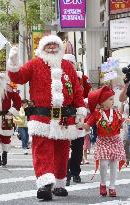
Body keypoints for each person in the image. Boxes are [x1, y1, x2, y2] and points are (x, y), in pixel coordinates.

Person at [7, 35, 86, 201]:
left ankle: (58, 183)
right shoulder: (35, 64)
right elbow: (18, 77)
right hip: (41, 117)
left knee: (62, 152)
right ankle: (44, 184)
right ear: (42, 48)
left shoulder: (68, 67)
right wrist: (13, 62)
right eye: (48, 45)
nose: (51, 48)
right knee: (42, 150)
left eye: (54, 45)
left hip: (64, 119)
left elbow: (77, 91)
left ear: (60, 48)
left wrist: (80, 110)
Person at [83, 85, 126, 197]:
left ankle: (112, 186)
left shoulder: (116, 112)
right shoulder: (97, 113)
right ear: (102, 101)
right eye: (110, 99)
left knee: (113, 164)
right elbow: (87, 125)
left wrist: (123, 123)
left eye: (112, 99)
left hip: (115, 141)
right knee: (103, 163)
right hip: (103, 141)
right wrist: (78, 124)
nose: (113, 101)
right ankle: (103, 183)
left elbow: (121, 125)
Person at [63, 54, 92, 186]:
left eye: (71, 63)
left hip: (78, 116)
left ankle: (75, 172)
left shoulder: (82, 78)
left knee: (78, 147)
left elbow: (89, 95)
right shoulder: (58, 76)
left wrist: (85, 102)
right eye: (66, 62)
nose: (69, 65)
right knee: (62, 147)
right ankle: (65, 173)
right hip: (63, 117)